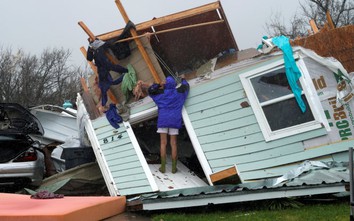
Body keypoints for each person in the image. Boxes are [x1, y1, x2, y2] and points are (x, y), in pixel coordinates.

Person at [148, 76, 189, 173]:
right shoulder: (179, 93)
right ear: (174, 84)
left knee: (163, 143)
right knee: (173, 144)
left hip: (163, 120)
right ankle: (174, 168)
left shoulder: (160, 93)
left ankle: (163, 167)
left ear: (165, 84)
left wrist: (158, 85)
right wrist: (183, 79)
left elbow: (150, 90)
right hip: (175, 120)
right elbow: (186, 86)